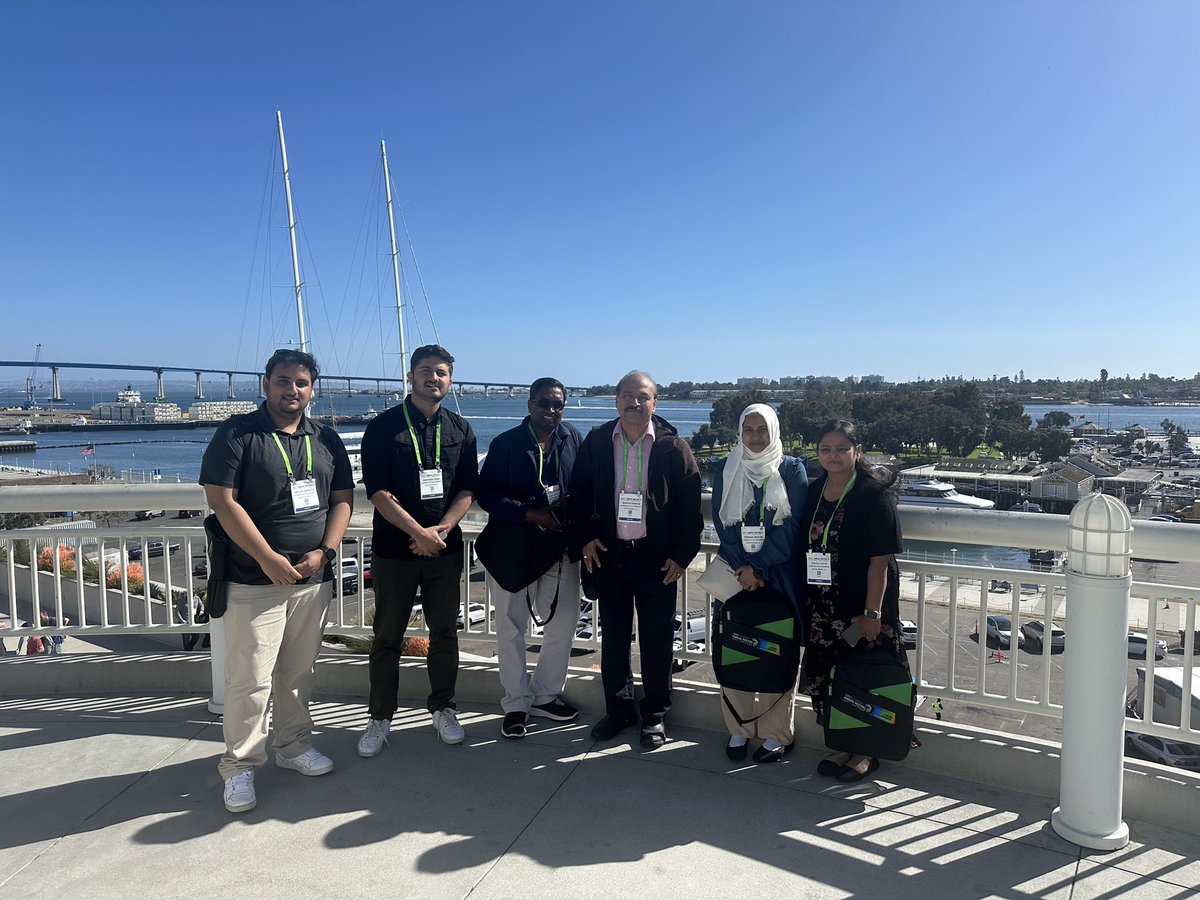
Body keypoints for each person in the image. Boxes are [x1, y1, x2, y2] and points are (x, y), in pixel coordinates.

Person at [200, 348, 354, 814]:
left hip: (311, 578)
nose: (293, 390)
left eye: (302, 383)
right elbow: (221, 501)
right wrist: (267, 558)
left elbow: (343, 500)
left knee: (296, 674)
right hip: (253, 580)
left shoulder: (325, 437)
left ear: (312, 389)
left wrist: (325, 552)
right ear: (266, 384)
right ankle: (240, 766)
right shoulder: (238, 434)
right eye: (283, 380)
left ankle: (292, 747)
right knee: (249, 678)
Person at [568, 371, 703, 749]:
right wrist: (586, 539)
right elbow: (577, 495)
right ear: (616, 401)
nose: (634, 403)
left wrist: (681, 556)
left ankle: (655, 716)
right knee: (612, 640)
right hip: (610, 557)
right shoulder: (597, 442)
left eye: (642, 397)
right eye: (627, 396)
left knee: (657, 642)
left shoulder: (673, 447)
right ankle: (619, 710)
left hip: (657, 561)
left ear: (654, 404)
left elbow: (690, 509)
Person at [356, 345, 478, 756]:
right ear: (410, 377)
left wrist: (440, 529)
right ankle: (379, 717)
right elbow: (378, 491)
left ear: (450, 379)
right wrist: (417, 532)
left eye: (441, 372)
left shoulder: (461, 428)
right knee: (386, 636)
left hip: (444, 550)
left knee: (444, 633)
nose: (434, 378)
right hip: (394, 551)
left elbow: (467, 489)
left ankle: (443, 707)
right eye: (425, 370)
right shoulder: (383, 427)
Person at [799, 418, 908, 783]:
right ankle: (843, 742)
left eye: (842, 448)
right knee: (834, 679)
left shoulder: (874, 495)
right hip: (822, 607)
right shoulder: (814, 491)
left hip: (862, 605)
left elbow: (880, 562)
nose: (833, 455)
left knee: (866, 677)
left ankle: (867, 750)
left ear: (857, 452)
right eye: (825, 448)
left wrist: (871, 613)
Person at [476, 377, 582, 739]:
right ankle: (517, 702)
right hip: (513, 550)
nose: (551, 410)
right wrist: (529, 514)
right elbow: (487, 494)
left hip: (558, 548)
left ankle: (546, 695)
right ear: (529, 405)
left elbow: (582, 487)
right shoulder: (507, 444)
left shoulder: (572, 439)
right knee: (511, 628)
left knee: (564, 624)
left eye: (557, 404)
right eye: (543, 403)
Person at [711, 404, 807, 763]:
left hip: (779, 577)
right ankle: (738, 727)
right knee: (733, 647)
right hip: (737, 574)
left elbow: (792, 527)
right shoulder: (726, 467)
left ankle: (776, 733)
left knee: (776, 653)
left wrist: (760, 567)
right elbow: (723, 522)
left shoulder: (791, 468)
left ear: (774, 431)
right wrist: (745, 566)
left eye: (762, 429)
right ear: (740, 431)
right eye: (748, 429)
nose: (755, 436)